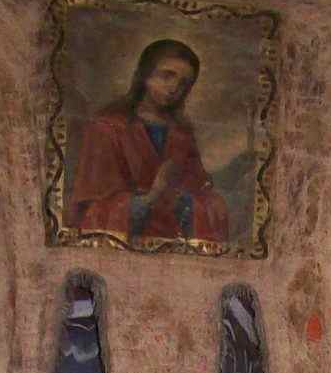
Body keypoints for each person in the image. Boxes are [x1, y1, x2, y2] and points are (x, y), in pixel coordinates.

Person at [68, 39, 229, 245]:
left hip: (173, 244)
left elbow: (201, 192)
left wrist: (185, 201)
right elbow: (92, 209)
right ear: (145, 74)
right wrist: (152, 196)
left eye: (184, 83)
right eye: (167, 76)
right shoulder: (107, 127)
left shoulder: (182, 134)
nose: (174, 88)